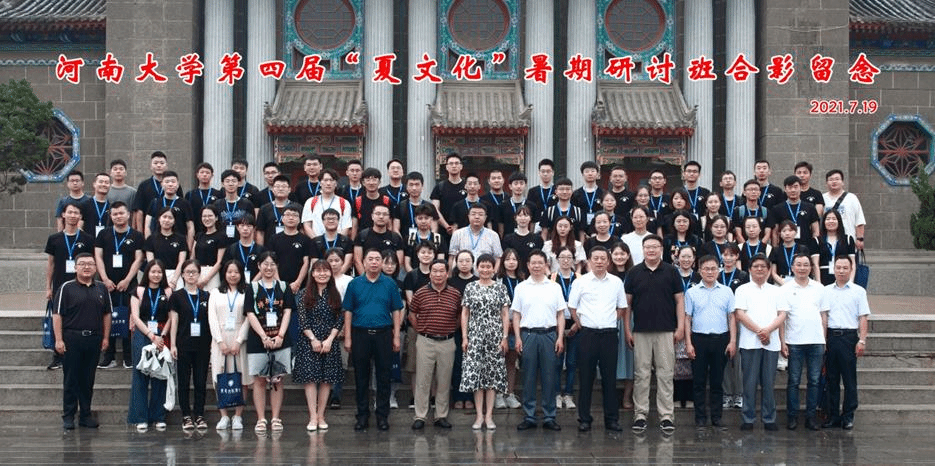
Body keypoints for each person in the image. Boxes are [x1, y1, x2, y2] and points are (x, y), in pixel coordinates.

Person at [624, 234, 685, 434]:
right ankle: (640, 414)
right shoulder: (634, 272)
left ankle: (666, 416)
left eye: (655, 247)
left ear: (661, 249)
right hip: (640, 331)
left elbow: (679, 300)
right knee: (641, 374)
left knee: (665, 374)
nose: (651, 250)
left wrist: (680, 327)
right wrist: (627, 330)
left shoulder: (671, 271)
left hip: (666, 331)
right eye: (647, 247)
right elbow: (627, 305)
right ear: (643, 250)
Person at [343, 249, 405, 431]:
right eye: (370, 259)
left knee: (384, 376)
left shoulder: (390, 283)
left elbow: (396, 310)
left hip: (383, 334)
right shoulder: (354, 284)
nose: (374, 262)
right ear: (363, 262)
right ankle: (362, 416)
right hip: (360, 334)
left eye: (378, 259)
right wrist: (348, 337)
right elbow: (348, 311)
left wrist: (396, 336)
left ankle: (382, 416)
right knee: (361, 377)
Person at [567, 246, 627, 432]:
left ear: (608, 261)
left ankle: (612, 419)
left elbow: (622, 307)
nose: (599, 261)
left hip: (609, 334)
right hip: (587, 334)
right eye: (596, 258)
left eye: (603, 258)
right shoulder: (581, 282)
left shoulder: (616, 282)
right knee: (586, 378)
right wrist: (580, 323)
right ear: (589, 261)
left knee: (610, 379)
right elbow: (572, 307)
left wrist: (611, 320)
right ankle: (584, 419)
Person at [52, 252, 111, 429]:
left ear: (96, 268)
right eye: (82, 264)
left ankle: (85, 415)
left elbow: (107, 314)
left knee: (88, 380)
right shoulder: (66, 288)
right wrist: (59, 340)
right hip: (72, 339)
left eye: (90, 264)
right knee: (71, 379)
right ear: (75, 267)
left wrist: (105, 337)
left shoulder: (101, 288)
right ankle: (68, 416)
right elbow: (57, 315)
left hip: (94, 339)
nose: (87, 267)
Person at [511, 250, 566, 431]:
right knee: (528, 377)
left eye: (540, 263)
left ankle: (549, 416)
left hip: (549, 335)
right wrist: (518, 337)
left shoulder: (554, 287)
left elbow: (560, 314)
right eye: (533, 263)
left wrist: (560, 337)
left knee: (549, 377)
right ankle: (529, 416)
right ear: (528, 265)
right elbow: (516, 315)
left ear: (546, 265)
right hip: (528, 335)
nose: (536, 266)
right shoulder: (521, 288)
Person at [734, 254, 786, 431]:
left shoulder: (777, 291)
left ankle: (769, 418)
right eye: (756, 266)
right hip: (750, 343)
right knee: (749, 382)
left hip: (771, 343)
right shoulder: (742, 290)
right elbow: (740, 314)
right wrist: (760, 331)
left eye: (763, 266)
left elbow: (782, 314)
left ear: (769, 270)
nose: (759, 269)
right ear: (749, 269)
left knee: (769, 383)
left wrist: (768, 330)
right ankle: (748, 418)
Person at [407, 259, 461, 429]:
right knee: (423, 380)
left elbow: (460, 316)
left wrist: (450, 328)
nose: (438, 274)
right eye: (434, 271)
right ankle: (420, 416)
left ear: (447, 273)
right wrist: (422, 329)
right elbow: (412, 314)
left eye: (441, 271)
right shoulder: (421, 293)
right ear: (430, 274)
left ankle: (441, 415)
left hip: (447, 341)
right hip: (425, 341)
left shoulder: (455, 294)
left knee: (444, 380)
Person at [244, 251, 294, 434]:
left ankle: (275, 417)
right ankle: (261, 419)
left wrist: (280, 336)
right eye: (265, 264)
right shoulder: (252, 287)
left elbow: (287, 311)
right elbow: (250, 313)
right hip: (258, 340)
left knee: (277, 379)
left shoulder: (284, 286)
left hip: (281, 339)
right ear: (259, 266)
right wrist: (263, 337)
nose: (269, 267)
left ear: (277, 266)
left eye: (272, 264)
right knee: (259, 380)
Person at [684, 255, 737, 428]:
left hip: (721, 339)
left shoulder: (727, 291)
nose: (710, 272)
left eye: (713, 268)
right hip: (698, 339)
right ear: (699, 271)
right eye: (706, 269)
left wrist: (732, 341)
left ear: (719, 270)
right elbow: (687, 319)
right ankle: (700, 418)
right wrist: (688, 343)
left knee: (717, 381)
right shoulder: (691, 292)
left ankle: (716, 417)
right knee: (698, 381)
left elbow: (732, 317)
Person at [293, 260, 344, 431]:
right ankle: (312, 416)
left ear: (330, 273)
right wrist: (313, 339)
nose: (322, 274)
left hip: (330, 341)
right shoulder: (303, 294)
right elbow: (302, 319)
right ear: (312, 274)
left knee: (326, 380)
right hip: (309, 341)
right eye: (318, 271)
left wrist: (330, 339)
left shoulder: (335, 294)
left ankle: (321, 415)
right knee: (310, 379)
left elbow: (340, 319)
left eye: (325, 270)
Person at [821, 255, 871, 430]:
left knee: (849, 380)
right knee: (831, 379)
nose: (841, 271)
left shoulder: (858, 291)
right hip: (831, 337)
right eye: (838, 267)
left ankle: (848, 416)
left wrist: (862, 340)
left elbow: (863, 317)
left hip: (849, 338)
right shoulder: (826, 290)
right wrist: (823, 340)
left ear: (851, 270)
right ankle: (833, 416)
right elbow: (824, 317)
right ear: (833, 269)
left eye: (845, 268)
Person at [779, 253, 826, 431]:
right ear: (792, 267)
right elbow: (782, 318)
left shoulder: (819, 288)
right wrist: (783, 342)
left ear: (811, 267)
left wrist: (824, 339)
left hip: (816, 341)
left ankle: (811, 417)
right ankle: (792, 417)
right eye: (798, 264)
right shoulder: (785, 289)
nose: (802, 268)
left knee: (814, 380)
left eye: (806, 264)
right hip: (794, 341)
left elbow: (824, 316)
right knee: (793, 380)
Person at [94, 201, 144, 369]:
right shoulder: (103, 234)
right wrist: (105, 279)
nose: (118, 216)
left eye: (121, 213)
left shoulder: (136, 235)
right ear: (111, 216)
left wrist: (128, 280)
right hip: (107, 285)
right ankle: (109, 356)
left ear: (128, 214)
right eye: (115, 214)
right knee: (107, 317)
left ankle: (129, 357)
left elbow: (139, 259)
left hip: (129, 285)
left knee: (130, 319)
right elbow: (98, 257)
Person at [46, 202, 95, 370]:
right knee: (59, 318)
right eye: (70, 212)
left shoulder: (88, 239)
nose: (73, 215)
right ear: (63, 215)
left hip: (81, 285)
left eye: (76, 213)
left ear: (80, 217)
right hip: (60, 286)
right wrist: (48, 287)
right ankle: (58, 355)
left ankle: (78, 353)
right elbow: (51, 264)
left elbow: (91, 263)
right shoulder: (54, 239)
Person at [127, 260, 173, 431]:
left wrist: (162, 336)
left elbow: (171, 317)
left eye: (159, 272)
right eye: (153, 271)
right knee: (140, 374)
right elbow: (136, 316)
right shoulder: (138, 291)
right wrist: (150, 335)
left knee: (160, 374)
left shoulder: (168, 291)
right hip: (143, 333)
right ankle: (140, 417)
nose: (156, 275)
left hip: (162, 333)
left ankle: (158, 416)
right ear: (147, 273)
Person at [207, 260, 251, 431]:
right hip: (220, 339)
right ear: (224, 274)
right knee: (219, 376)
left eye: (236, 272)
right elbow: (212, 318)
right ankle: (224, 416)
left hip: (240, 339)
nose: (233, 275)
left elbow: (249, 318)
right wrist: (220, 341)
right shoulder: (215, 293)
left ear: (241, 274)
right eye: (229, 272)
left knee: (242, 377)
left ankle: (238, 415)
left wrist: (239, 340)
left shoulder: (246, 292)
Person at [168, 259, 211, 431]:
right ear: (183, 275)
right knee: (184, 382)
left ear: (199, 274)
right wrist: (173, 344)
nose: (191, 275)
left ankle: (199, 415)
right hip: (183, 344)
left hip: (203, 345)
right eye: (188, 272)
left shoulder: (207, 296)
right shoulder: (177, 296)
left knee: (200, 381)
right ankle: (186, 415)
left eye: (194, 272)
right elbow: (174, 321)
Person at [495, 249, 524, 410]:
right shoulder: (498, 280)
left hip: (519, 325)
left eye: (514, 259)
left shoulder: (523, 280)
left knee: (512, 362)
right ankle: (498, 394)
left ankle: (510, 393)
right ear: (502, 262)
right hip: (500, 325)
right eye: (507, 259)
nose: (511, 262)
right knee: (499, 360)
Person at [551, 247, 578, 410]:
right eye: (563, 257)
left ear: (574, 260)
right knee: (557, 361)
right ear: (557, 259)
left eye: (569, 257)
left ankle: (568, 394)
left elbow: (584, 302)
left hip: (576, 324)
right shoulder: (551, 278)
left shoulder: (580, 278)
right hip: (556, 324)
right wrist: (555, 324)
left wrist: (577, 323)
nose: (566, 260)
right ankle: (556, 394)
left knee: (572, 362)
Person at [610, 242, 635, 409]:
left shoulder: (634, 274)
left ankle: (627, 397)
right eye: (616, 254)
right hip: (610, 318)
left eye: (622, 254)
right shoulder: (606, 274)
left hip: (631, 319)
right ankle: (610, 396)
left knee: (631, 359)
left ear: (628, 255)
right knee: (610, 359)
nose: (619, 257)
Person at [265, 205, 312, 294]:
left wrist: (298, 282)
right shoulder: (274, 239)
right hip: (277, 285)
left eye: (295, 215)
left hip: (299, 287)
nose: (291, 218)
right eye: (288, 215)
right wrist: (279, 283)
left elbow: (306, 262)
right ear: (282, 218)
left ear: (299, 220)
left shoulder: (305, 240)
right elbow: (272, 262)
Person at [144, 170, 195, 250]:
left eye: (173, 182)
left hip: (178, 246)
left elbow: (190, 227)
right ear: (162, 184)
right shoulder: (155, 202)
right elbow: (147, 225)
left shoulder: (185, 203)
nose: (170, 184)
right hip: (157, 245)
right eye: (167, 182)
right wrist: (149, 246)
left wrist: (188, 248)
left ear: (178, 184)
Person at [769, 175, 819, 248]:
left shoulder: (810, 207)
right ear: (785, 189)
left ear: (801, 188)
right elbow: (775, 233)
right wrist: (775, 249)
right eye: (790, 187)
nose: (793, 190)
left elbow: (816, 231)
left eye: (796, 187)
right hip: (784, 248)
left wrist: (814, 247)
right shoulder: (777, 209)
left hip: (806, 248)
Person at [144, 206, 188, 289]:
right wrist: (158, 277)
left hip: (176, 276)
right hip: (157, 276)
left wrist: (174, 281)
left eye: (170, 218)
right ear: (159, 218)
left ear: (174, 221)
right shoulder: (151, 239)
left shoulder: (181, 239)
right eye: (164, 217)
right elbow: (151, 263)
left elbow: (181, 261)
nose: (167, 220)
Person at [448, 203, 502, 270]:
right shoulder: (458, 234)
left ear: (485, 217)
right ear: (468, 216)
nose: (477, 217)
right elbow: (452, 257)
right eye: (473, 214)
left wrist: (494, 273)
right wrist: (450, 274)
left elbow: (498, 258)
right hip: (462, 274)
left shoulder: (493, 235)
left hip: (485, 273)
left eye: (480, 214)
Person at [823, 169, 866, 250]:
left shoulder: (852, 198)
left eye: (837, 179)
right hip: (827, 243)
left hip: (849, 241)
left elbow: (859, 221)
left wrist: (860, 239)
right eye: (831, 180)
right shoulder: (822, 198)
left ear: (843, 182)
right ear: (826, 183)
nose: (834, 182)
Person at [302, 168, 352, 238]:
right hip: (316, 241)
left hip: (337, 242)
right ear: (320, 183)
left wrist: (337, 241)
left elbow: (346, 227)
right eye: (325, 180)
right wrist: (317, 241)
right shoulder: (310, 202)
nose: (328, 183)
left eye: (331, 180)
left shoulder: (344, 203)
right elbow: (307, 225)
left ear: (336, 183)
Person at [811, 210, 856, 285]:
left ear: (839, 221)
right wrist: (818, 283)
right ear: (824, 222)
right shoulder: (817, 241)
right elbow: (815, 264)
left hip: (843, 277)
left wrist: (851, 281)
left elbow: (853, 263)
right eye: (828, 219)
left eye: (834, 219)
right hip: (824, 277)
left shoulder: (848, 239)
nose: (831, 221)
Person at [256, 174, 302, 244]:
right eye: (277, 186)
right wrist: (261, 249)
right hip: (270, 247)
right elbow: (260, 232)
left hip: (293, 246)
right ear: (273, 189)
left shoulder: (297, 207)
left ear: (289, 189)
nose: (280, 189)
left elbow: (301, 229)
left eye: (284, 186)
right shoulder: (264, 209)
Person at [213, 169, 256, 240]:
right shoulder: (217, 204)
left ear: (238, 183)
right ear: (222, 184)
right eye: (227, 181)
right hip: (221, 242)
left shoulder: (247, 204)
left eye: (234, 181)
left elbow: (252, 226)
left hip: (240, 241)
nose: (231, 184)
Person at [192, 205, 227, 291]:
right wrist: (194, 274)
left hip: (213, 274)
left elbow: (219, 262)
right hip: (197, 273)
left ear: (216, 218)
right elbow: (192, 257)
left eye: (210, 216)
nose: (207, 219)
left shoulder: (221, 236)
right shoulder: (199, 236)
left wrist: (206, 279)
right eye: (204, 216)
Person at [539, 177, 585, 242]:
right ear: (556, 192)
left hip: (573, 246)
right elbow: (544, 233)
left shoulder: (578, 212)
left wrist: (581, 246)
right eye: (561, 189)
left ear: (572, 191)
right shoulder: (549, 211)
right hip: (553, 245)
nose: (564, 192)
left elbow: (581, 233)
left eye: (567, 189)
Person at [311, 208, 355, 275]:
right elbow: (315, 262)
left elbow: (347, 263)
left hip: (342, 277)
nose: (331, 221)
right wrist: (326, 276)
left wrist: (337, 276)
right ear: (323, 221)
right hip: (322, 276)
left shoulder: (347, 240)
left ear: (338, 221)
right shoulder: (315, 242)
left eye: (334, 219)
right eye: (328, 219)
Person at [223, 215, 264, 283]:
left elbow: (263, 269)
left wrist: (253, 283)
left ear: (254, 228)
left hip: (256, 285)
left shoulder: (261, 250)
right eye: (242, 225)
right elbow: (226, 269)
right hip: (235, 284)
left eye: (249, 226)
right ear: (237, 227)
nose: (245, 228)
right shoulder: (231, 249)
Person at [500, 206, 543, 270]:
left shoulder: (537, 239)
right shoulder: (508, 239)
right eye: (520, 216)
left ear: (530, 218)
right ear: (515, 218)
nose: (523, 218)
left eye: (526, 215)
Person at [186, 163, 222, 233]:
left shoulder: (218, 194)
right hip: (196, 230)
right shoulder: (190, 194)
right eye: (202, 172)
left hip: (215, 231)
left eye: (207, 173)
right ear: (197, 175)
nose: (204, 175)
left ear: (212, 175)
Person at [393, 171, 432, 236]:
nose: (414, 188)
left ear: (422, 186)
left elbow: (434, 229)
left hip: (426, 241)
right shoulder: (400, 206)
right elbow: (396, 229)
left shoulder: (430, 206)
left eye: (417, 184)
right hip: (405, 241)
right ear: (407, 187)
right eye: (411, 185)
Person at [571, 161, 605, 225]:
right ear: (582, 174)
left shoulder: (603, 193)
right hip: (581, 225)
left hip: (600, 225)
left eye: (593, 171)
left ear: (598, 174)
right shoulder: (576, 194)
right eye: (587, 171)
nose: (590, 174)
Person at [79, 172, 112, 237]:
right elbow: (79, 227)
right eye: (101, 182)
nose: (104, 184)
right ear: (94, 184)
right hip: (89, 241)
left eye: (106, 182)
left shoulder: (112, 207)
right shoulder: (85, 205)